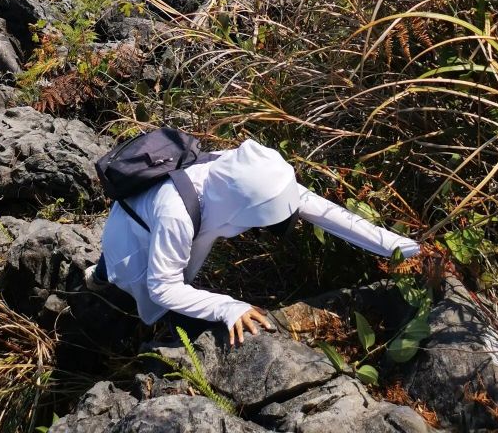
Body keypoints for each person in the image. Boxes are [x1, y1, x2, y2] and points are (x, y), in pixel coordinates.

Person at [85, 138, 420, 345]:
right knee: (150, 299)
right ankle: (140, 336)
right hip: (129, 246)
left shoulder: (240, 175)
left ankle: (96, 277)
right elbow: (163, 287)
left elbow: (320, 209)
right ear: (246, 212)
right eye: (263, 224)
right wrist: (229, 307)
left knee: (118, 269)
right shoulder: (178, 214)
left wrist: (400, 247)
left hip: (137, 216)